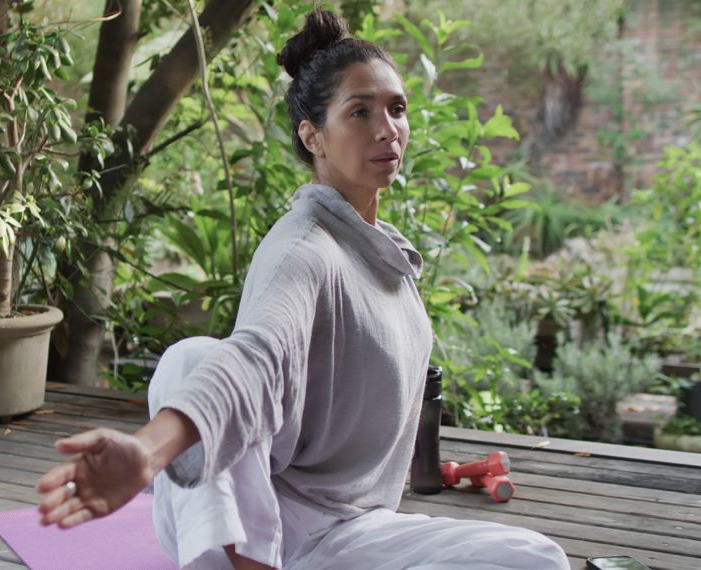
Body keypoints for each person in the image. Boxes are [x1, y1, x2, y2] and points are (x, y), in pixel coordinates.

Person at [38, 8, 570, 570]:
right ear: (312, 135)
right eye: (359, 112)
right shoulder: (304, 249)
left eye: (396, 108)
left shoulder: (383, 254)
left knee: (535, 558)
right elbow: (253, 361)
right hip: (250, 528)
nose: (387, 128)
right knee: (193, 357)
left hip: (353, 530)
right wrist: (146, 453)